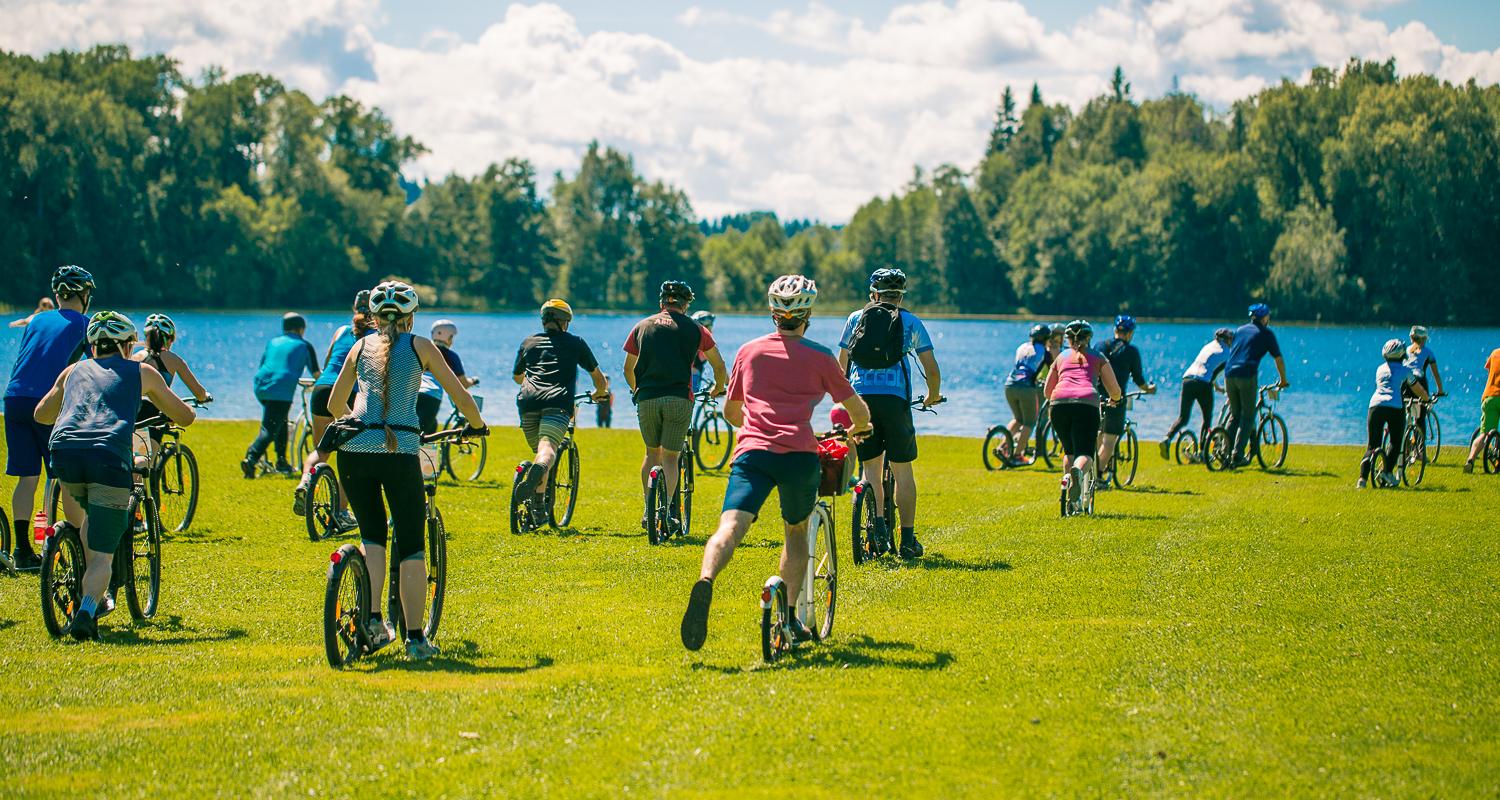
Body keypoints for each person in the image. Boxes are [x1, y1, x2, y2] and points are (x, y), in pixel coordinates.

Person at [679, 275, 871, 652]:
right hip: (799, 454)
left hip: (753, 452)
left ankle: (705, 579)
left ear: (773, 313)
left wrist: (756, 420)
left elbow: (732, 412)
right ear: (808, 313)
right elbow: (856, 410)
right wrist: (861, 428)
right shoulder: (820, 356)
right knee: (795, 532)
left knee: (730, 527)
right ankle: (787, 618)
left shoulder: (748, 352)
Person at [326, 281, 487, 661]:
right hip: (399, 453)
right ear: (411, 316)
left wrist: (361, 425)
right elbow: (458, 394)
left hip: (354, 452)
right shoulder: (421, 346)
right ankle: (415, 638)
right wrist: (478, 424)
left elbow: (335, 403)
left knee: (373, 537)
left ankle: (374, 620)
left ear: (376, 316)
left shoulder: (359, 346)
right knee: (412, 547)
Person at [33, 311, 196, 640]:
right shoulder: (142, 372)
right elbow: (184, 416)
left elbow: (41, 414)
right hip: (107, 456)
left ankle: (71, 560)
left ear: (92, 346)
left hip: (63, 453)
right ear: (125, 346)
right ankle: (87, 610)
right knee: (102, 554)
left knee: (82, 525)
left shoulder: (72, 371)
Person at [837, 268, 942, 559]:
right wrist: (932, 396)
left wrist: (846, 395)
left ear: (874, 293)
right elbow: (931, 370)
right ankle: (907, 541)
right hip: (895, 401)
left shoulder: (855, 318)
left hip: (862, 401)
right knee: (902, 470)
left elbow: (841, 365)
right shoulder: (910, 321)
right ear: (901, 295)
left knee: (870, 469)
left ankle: (878, 531)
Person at [5, 266, 93, 571]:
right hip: (48, 401)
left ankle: (22, 550)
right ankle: (73, 548)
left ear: (57, 294)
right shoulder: (85, 323)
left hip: (14, 398)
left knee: (27, 477)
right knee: (63, 476)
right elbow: (96, 368)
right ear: (84, 295)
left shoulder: (38, 318)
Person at [623, 281, 727, 531]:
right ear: (686, 304)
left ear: (662, 302)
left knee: (651, 453)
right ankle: (665, 511)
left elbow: (628, 368)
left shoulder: (641, 326)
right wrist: (717, 388)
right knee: (670, 457)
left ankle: (649, 511)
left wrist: (637, 389)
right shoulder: (697, 329)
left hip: (647, 398)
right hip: (679, 398)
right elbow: (719, 366)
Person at [512, 300, 610, 522]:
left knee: (540, 452)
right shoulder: (576, 343)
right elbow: (598, 377)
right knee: (547, 449)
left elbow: (517, 377)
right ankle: (538, 494)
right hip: (557, 403)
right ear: (564, 322)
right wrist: (600, 392)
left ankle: (538, 507)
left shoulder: (529, 342)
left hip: (527, 403)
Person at [292, 291, 374, 521]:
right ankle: (339, 511)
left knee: (322, 448)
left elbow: (329, 361)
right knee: (354, 456)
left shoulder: (340, 330)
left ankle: (306, 482)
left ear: (354, 307)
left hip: (321, 389)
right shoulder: (377, 335)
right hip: (348, 392)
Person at [1043, 321, 1123, 510]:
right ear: (1089, 339)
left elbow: (1047, 391)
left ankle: (1071, 500)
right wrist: (1115, 400)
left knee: (1069, 451)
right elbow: (1115, 389)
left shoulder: (1061, 357)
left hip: (1058, 405)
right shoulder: (1098, 356)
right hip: (1086, 404)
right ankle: (1077, 474)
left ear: (1068, 339)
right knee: (1085, 452)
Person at [241, 312, 319, 478]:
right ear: (301, 329)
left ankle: (282, 461)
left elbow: (264, 364)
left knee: (280, 421)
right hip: (281, 389)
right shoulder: (304, 345)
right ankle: (251, 457)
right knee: (269, 428)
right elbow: (317, 374)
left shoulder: (273, 342)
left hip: (261, 386)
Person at [130, 314, 212, 464]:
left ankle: (137, 484)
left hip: (131, 409)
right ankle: (140, 487)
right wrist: (205, 397)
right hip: (151, 411)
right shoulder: (173, 360)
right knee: (146, 461)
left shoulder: (135, 357)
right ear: (169, 339)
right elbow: (198, 391)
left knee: (136, 452)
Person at [1224, 303, 1289, 468]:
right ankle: (1237, 454)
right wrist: (1283, 380)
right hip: (1246, 375)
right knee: (1247, 416)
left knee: (1234, 415)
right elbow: (1278, 359)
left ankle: (1224, 452)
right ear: (1265, 317)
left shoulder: (1239, 330)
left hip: (1229, 374)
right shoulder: (1266, 334)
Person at [1360, 339, 1430, 488]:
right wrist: (1427, 398)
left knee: (1372, 445)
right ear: (1401, 354)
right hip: (1395, 406)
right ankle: (1387, 472)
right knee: (1395, 442)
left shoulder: (1380, 369)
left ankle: (1362, 480)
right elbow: (1417, 388)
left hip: (1375, 406)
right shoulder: (1406, 371)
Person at [1096, 315, 1156, 483]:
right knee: (1110, 439)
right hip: (1116, 397)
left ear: (1115, 330)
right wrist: (1149, 389)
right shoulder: (1131, 351)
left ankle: (1092, 469)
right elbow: (1138, 379)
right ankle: (1098, 475)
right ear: (1130, 333)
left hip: (1095, 395)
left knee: (1098, 433)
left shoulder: (1100, 345)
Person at [1160, 327, 1233, 460]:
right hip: (1203, 384)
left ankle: (1167, 438)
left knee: (1183, 417)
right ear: (1228, 340)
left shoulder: (1208, 346)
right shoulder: (1228, 353)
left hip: (1187, 379)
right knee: (1207, 418)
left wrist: (1216, 386)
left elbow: (1206, 366)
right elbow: (1222, 373)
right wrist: (1227, 390)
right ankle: (1202, 452)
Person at [999, 324, 1053, 464]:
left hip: (1009, 385)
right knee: (1029, 422)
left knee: (1018, 419)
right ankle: (1017, 455)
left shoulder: (1022, 348)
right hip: (1026, 387)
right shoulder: (1045, 353)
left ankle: (1002, 447)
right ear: (1047, 339)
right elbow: (1053, 371)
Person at [418, 319, 478, 436]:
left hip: (413, 392)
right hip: (431, 396)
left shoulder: (422, 350)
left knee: (423, 428)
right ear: (449, 338)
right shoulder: (451, 356)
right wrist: (473, 381)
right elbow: (463, 383)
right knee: (423, 436)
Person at [1402, 325, 1445, 439]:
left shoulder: (1405, 350)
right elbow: (1435, 374)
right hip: (1419, 381)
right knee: (1420, 417)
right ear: (1424, 339)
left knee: (1405, 413)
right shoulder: (1428, 352)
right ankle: (1420, 451)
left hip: (1403, 382)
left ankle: (1404, 447)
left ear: (1412, 338)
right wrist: (1440, 390)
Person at [1463, 345, 1500, 473]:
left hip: (1489, 396)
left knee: (1484, 433)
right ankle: (1497, 457)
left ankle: (1470, 460)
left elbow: (1490, 371)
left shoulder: (1495, 353)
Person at [690, 310, 717, 394]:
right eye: (710, 326)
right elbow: (718, 365)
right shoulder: (704, 343)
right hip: (692, 379)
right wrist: (729, 383)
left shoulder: (690, 340)